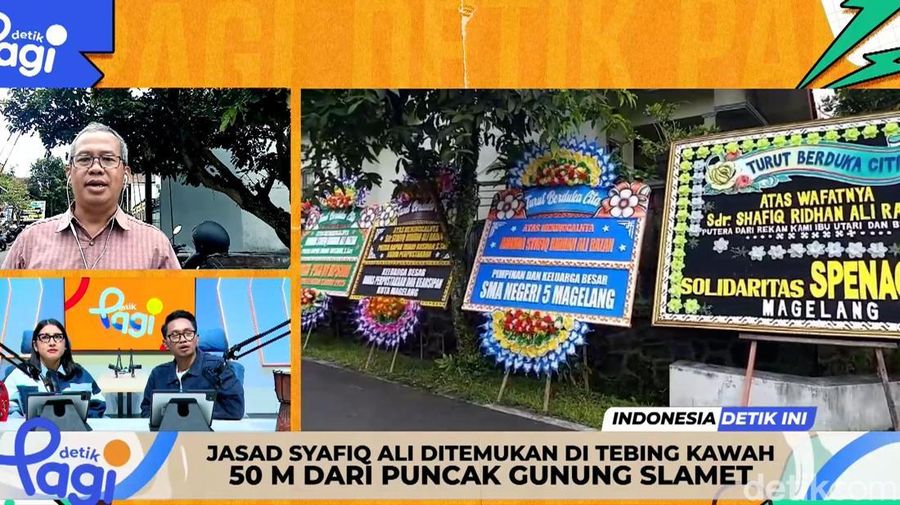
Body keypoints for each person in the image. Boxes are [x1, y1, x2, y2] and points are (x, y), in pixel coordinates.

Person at [2, 122, 181, 270]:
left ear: (125, 173)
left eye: (108, 159)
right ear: (69, 173)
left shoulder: (156, 245)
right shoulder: (30, 241)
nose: (96, 168)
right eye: (84, 159)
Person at [140, 310, 244, 421]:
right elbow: (146, 411)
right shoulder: (158, 374)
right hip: (169, 435)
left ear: (197, 338)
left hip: (208, 435)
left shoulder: (217, 368)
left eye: (188, 333)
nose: (183, 340)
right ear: (166, 344)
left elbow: (235, 409)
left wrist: (189, 415)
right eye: (175, 335)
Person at [4, 319, 106, 418]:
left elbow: (99, 404)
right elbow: (9, 412)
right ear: (35, 346)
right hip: (32, 432)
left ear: (65, 345)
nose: (52, 342)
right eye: (45, 337)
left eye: (57, 337)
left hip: (75, 432)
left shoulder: (79, 374)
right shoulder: (20, 375)